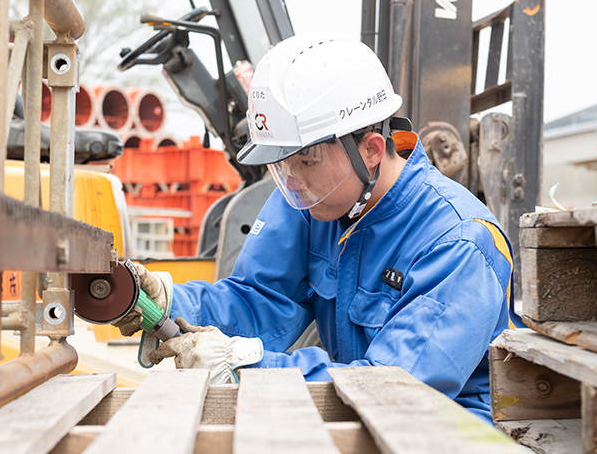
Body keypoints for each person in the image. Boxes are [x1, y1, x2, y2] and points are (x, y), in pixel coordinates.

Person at [117, 33, 514, 422]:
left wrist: (250, 366)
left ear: (371, 150)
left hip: (439, 433)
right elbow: (260, 299)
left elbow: (397, 388)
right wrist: (170, 304)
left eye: (306, 161)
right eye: (281, 165)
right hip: (350, 414)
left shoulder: (461, 242)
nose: (291, 181)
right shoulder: (318, 199)